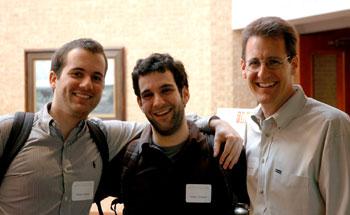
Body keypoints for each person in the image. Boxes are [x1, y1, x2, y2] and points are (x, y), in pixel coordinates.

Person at [0, 38, 243, 215]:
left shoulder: (104, 136)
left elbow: (163, 118)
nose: (87, 84)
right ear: (53, 79)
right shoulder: (11, 132)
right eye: (77, 73)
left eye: (96, 77)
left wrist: (217, 122)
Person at [115, 53, 250, 215]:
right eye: (148, 95)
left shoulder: (225, 154)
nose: (158, 102)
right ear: (140, 103)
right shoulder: (128, 159)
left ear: (185, 94)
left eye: (166, 90)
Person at [240, 16, 350, 215]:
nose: (263, 74)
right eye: (254, 63)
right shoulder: (249, 128)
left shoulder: (332, 126)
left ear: (293, 64)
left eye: (273, 62)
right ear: (243, 69)